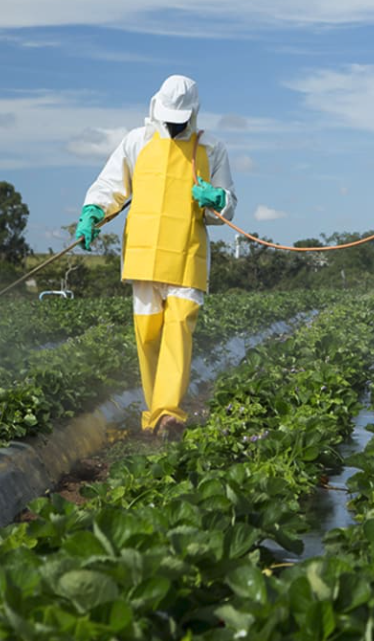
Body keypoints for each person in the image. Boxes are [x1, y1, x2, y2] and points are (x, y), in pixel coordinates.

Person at [76, 74, 236, 439]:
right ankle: (154, 417)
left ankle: (169, 415)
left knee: (179, 329)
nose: (174, 122)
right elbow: (110, 186)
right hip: (144, 254)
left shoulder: (211, 148)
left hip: (186, 252)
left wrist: (217, 199)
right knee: (148, 335)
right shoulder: (137, 141)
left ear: (193, 113)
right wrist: (92, 214)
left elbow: (227, 206)